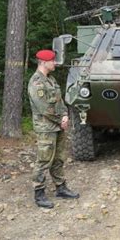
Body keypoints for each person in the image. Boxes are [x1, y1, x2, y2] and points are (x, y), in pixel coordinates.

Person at [28, 49, 80, 208]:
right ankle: (39, 193)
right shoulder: (37, 83)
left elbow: (59, 100)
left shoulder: (50, 79)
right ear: (43, 62)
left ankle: (61, 188)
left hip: (57, 126)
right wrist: (61, 120)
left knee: (58, 159)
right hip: (46, 128)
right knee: (44, 160)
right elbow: (44, 108)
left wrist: (65, 114)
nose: (55, 63)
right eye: (52, 61)